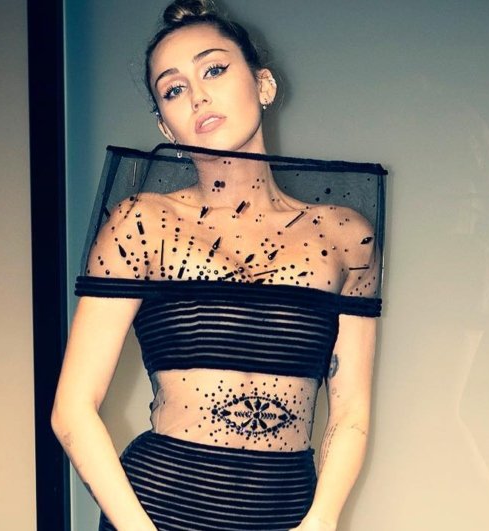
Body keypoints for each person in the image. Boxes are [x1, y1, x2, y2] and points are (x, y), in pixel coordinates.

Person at [51, 1, 386, 529]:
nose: (197, 95)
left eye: (213, 69)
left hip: (287, 516)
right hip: (159, 513)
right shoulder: (140, 222)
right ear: (165, 124)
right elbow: (72, 409)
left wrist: (319, 523)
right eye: (173, 89)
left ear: (264, 84)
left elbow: (350, 415)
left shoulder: (346, 235)